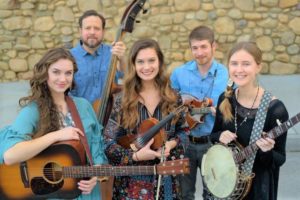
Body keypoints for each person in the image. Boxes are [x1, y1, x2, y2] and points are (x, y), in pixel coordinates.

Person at [0, 48, 107, 200]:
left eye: (68, 73)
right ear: (45, 74)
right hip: (52, 193)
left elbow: (98, 155)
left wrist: (94, 178)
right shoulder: (32, 111)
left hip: (87, 194)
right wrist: (56, 135)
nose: (63, 79)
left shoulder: (84, 106)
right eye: (56, 72)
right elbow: (10, 156)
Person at [104, 38, 185, 200]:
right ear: (133, 65)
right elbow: (108, 143)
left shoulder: (173, 97)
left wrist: (171, 143)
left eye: (151, 60)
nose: (146, 67)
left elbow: (184, 132)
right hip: (130, 185)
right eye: (140, 62)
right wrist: (135, 156)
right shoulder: (122, 100)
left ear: (160, 62)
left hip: (166, 183)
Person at [210, 41, 289, 200]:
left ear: (258, 67)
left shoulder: (275, 109)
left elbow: (280, 158)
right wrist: (219, 136)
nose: (239, 70)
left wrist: (266, 152)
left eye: (246, 64)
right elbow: (212, 136)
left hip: (258, 190)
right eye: (234, 64)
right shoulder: (225, 99)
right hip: (227, 186)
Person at [170, 25, 228, 199]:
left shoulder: (226, 74)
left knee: (213, 193)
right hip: (184, 143)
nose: (199, 52)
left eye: (203, 47)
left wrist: (214, 110)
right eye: (195, 48)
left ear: (214, 46)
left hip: (213, 143)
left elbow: (234, 108)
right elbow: (170, 106)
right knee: (184, 194)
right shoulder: (179, 74)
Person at [70, 9, 126, 104]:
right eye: (88, 28)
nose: (92, 32)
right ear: (80, 31)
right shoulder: (69, 57)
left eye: (97, 28)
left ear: (103, 31)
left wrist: (122, 59)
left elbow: (127, 77)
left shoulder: (113, 53)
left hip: (109, 116)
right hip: (80, 116)